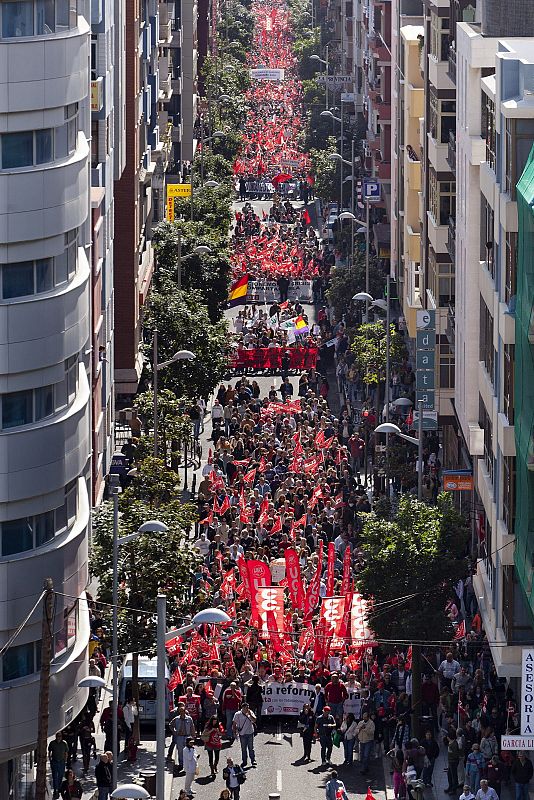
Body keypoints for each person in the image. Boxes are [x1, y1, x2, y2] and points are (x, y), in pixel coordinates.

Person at [168, 705, 195, 771]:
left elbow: (192, 727)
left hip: (187, 737)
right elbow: (170, 725)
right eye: (180, 711)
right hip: (179, 737)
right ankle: (181, 764)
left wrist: (193, 736)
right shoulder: (176, 719)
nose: (182, 712)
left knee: (188, 751)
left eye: (183, 711)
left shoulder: (189, 718)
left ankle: (187, 765)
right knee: (180, 752)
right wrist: (174, 731)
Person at [232, 702, 256, 768]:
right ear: (242, 708)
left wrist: (250, 714)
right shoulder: (237, 714)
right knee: (243, 749)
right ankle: (244, 761)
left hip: (250, 732)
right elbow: (234, 723)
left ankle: (253, 760)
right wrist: (234, 732)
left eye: (248, 707)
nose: (247, 709)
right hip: (242, 734)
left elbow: (254, 720)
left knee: (251, 748)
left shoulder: (250, 712)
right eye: (246, 708)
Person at [48, 732, 69, 799]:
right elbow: (49, 752)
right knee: (55, 776)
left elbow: (66, 752)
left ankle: (59, 788)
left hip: (61, 762)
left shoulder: (64, 743)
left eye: (60, 736)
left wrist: (65, 761)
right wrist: (50, 760)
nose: (59, 737)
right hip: (54, 761)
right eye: (58, 736)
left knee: (60, 776)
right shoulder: (52, 743)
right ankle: (55, 790)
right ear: (56, 737)